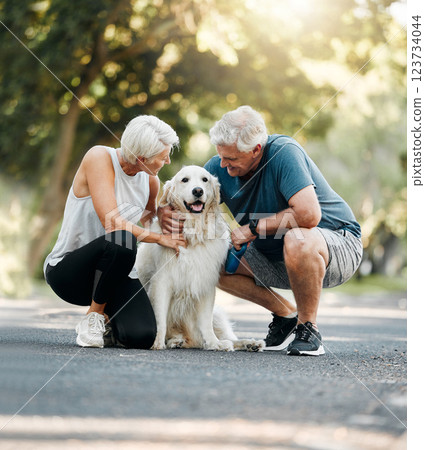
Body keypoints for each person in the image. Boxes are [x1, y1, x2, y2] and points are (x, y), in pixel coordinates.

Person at [159, 106, 362, 356]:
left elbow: (309, 215)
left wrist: (252, 228)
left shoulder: (284, 152)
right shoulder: (220, 164)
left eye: (231, 159)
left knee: (298, 238)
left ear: (256, 149)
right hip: (277, 256)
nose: (223, 165)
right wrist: (163, 212)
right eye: (221, 156)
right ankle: (286, 314)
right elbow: (184, 194)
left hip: (335, 247)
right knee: (214, 264)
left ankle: (308, 328)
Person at [44, 115, 186, 349]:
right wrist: (161, 238)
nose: (168, 161)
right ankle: (94, 317)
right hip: (70, 274)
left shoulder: (151, 180)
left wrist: (161, 214)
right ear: (141, 159)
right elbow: (113, 222)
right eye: (163, 156)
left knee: (141, 337)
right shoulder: (99, 157)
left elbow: (149, 217)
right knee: (122, 238)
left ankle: (110, 323)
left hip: (114, 274)